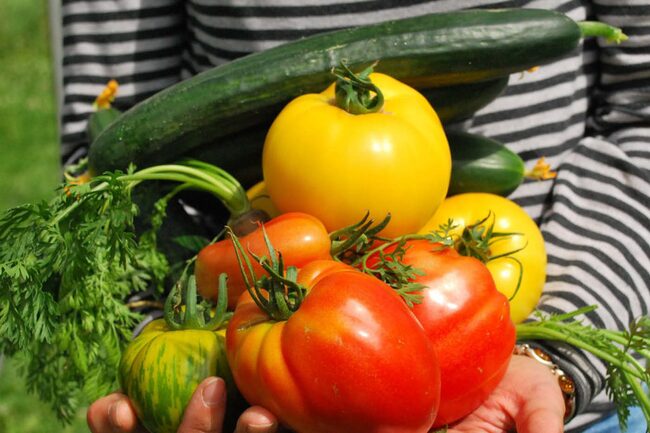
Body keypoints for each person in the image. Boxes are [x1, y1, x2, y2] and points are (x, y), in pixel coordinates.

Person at [58, 1, 650, 432]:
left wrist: (561, 362)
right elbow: (108, 158)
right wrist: (164, 346)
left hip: (553, 392)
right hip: (255, 379)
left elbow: (641, 123)